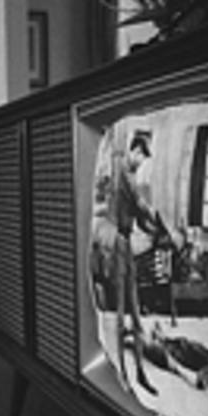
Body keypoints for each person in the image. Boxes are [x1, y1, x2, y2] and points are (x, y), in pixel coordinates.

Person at [92, 130, 165, 396]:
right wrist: (152, 220)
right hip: (115, 248)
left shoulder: (130, 177)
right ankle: (123, 375)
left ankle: (140, 375)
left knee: (136, 315)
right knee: (121, 314)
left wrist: (155, 226)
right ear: (134, 151)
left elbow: (142, 213)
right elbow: (138, 205)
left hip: (126, 247)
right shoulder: (120, 170)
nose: (141, 162)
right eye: (141, 156)